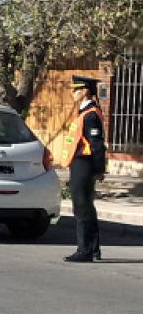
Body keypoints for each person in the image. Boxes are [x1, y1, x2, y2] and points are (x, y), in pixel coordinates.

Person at [60, 75, 106, 263]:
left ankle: (84, 250)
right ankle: (94, 249)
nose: (73, 93)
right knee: (86, 206)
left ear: (85, 90)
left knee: (82, 208)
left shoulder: (90, 114)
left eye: (75, 89)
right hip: (79, 163)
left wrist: (98, 169)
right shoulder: (83, 112)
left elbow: (96, 144)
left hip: (84, 164)